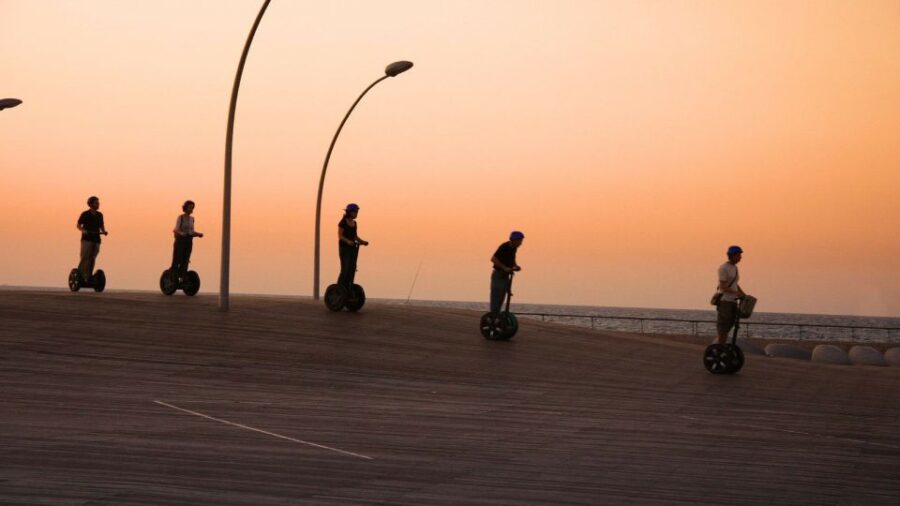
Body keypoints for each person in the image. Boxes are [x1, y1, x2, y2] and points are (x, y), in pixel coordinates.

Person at [715, 245, 746, 344]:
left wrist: (743, 293)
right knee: (723, 328)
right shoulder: (723, 268)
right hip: (725, 302)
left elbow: (735, 283)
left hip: (733, 301)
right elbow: (723, 286)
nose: (740, 257)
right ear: (732, 255)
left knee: (730, 326)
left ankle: (723, 347)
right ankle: (720, 348)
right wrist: (736, 292)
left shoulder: (735, 268)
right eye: (739, 255)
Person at [489, 231, 524, 313]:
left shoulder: (514, 248)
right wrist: (504, 268)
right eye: (519, 241)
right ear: (514, 240)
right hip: (498, 275)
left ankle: (497, 316)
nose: (520, 243)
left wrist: (515, 266)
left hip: (505, 276)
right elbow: (493, 259)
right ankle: (493, 317)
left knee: (502, 297)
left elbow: (512, 260)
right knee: (496, 298)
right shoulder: (504, 246)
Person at [76, 196, 108, 283]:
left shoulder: (100, 215)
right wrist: (84, 230)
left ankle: (89, 276)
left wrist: (104, 231)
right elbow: (78, 225)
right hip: (87, 239)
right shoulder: (85, 214)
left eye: (98, 203)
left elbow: (101, 225)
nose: (98, 204)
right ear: (91, 204)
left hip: (96, 239)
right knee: (85, 257)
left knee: (92, 258)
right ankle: (81, 275)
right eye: (96, 203)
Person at [337, 203, 368, 289]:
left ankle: (349, 285)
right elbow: (340, 236)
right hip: (344, 248)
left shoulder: (354, 223)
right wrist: (348, 241)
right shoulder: (343, 222)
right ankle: (340, 287)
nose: (356, 214)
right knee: (345, 268)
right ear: (350, 212)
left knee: (352, 268)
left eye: (357, 212)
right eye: (355, 212)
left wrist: (362, 242)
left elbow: (355, 236)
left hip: (353, 248)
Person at [171, 200, 203, 278]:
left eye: (192, 208)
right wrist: (182, 233)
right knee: (178, 258)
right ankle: (173, 274)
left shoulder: (192, 219)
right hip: (180, 241)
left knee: (186, 259)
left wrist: (198, 234)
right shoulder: (181, 217)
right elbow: (176, 229)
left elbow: (191, 232)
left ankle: (183, 274)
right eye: (190, 207)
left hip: (188, 241)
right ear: (185, 208)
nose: (191, 209)